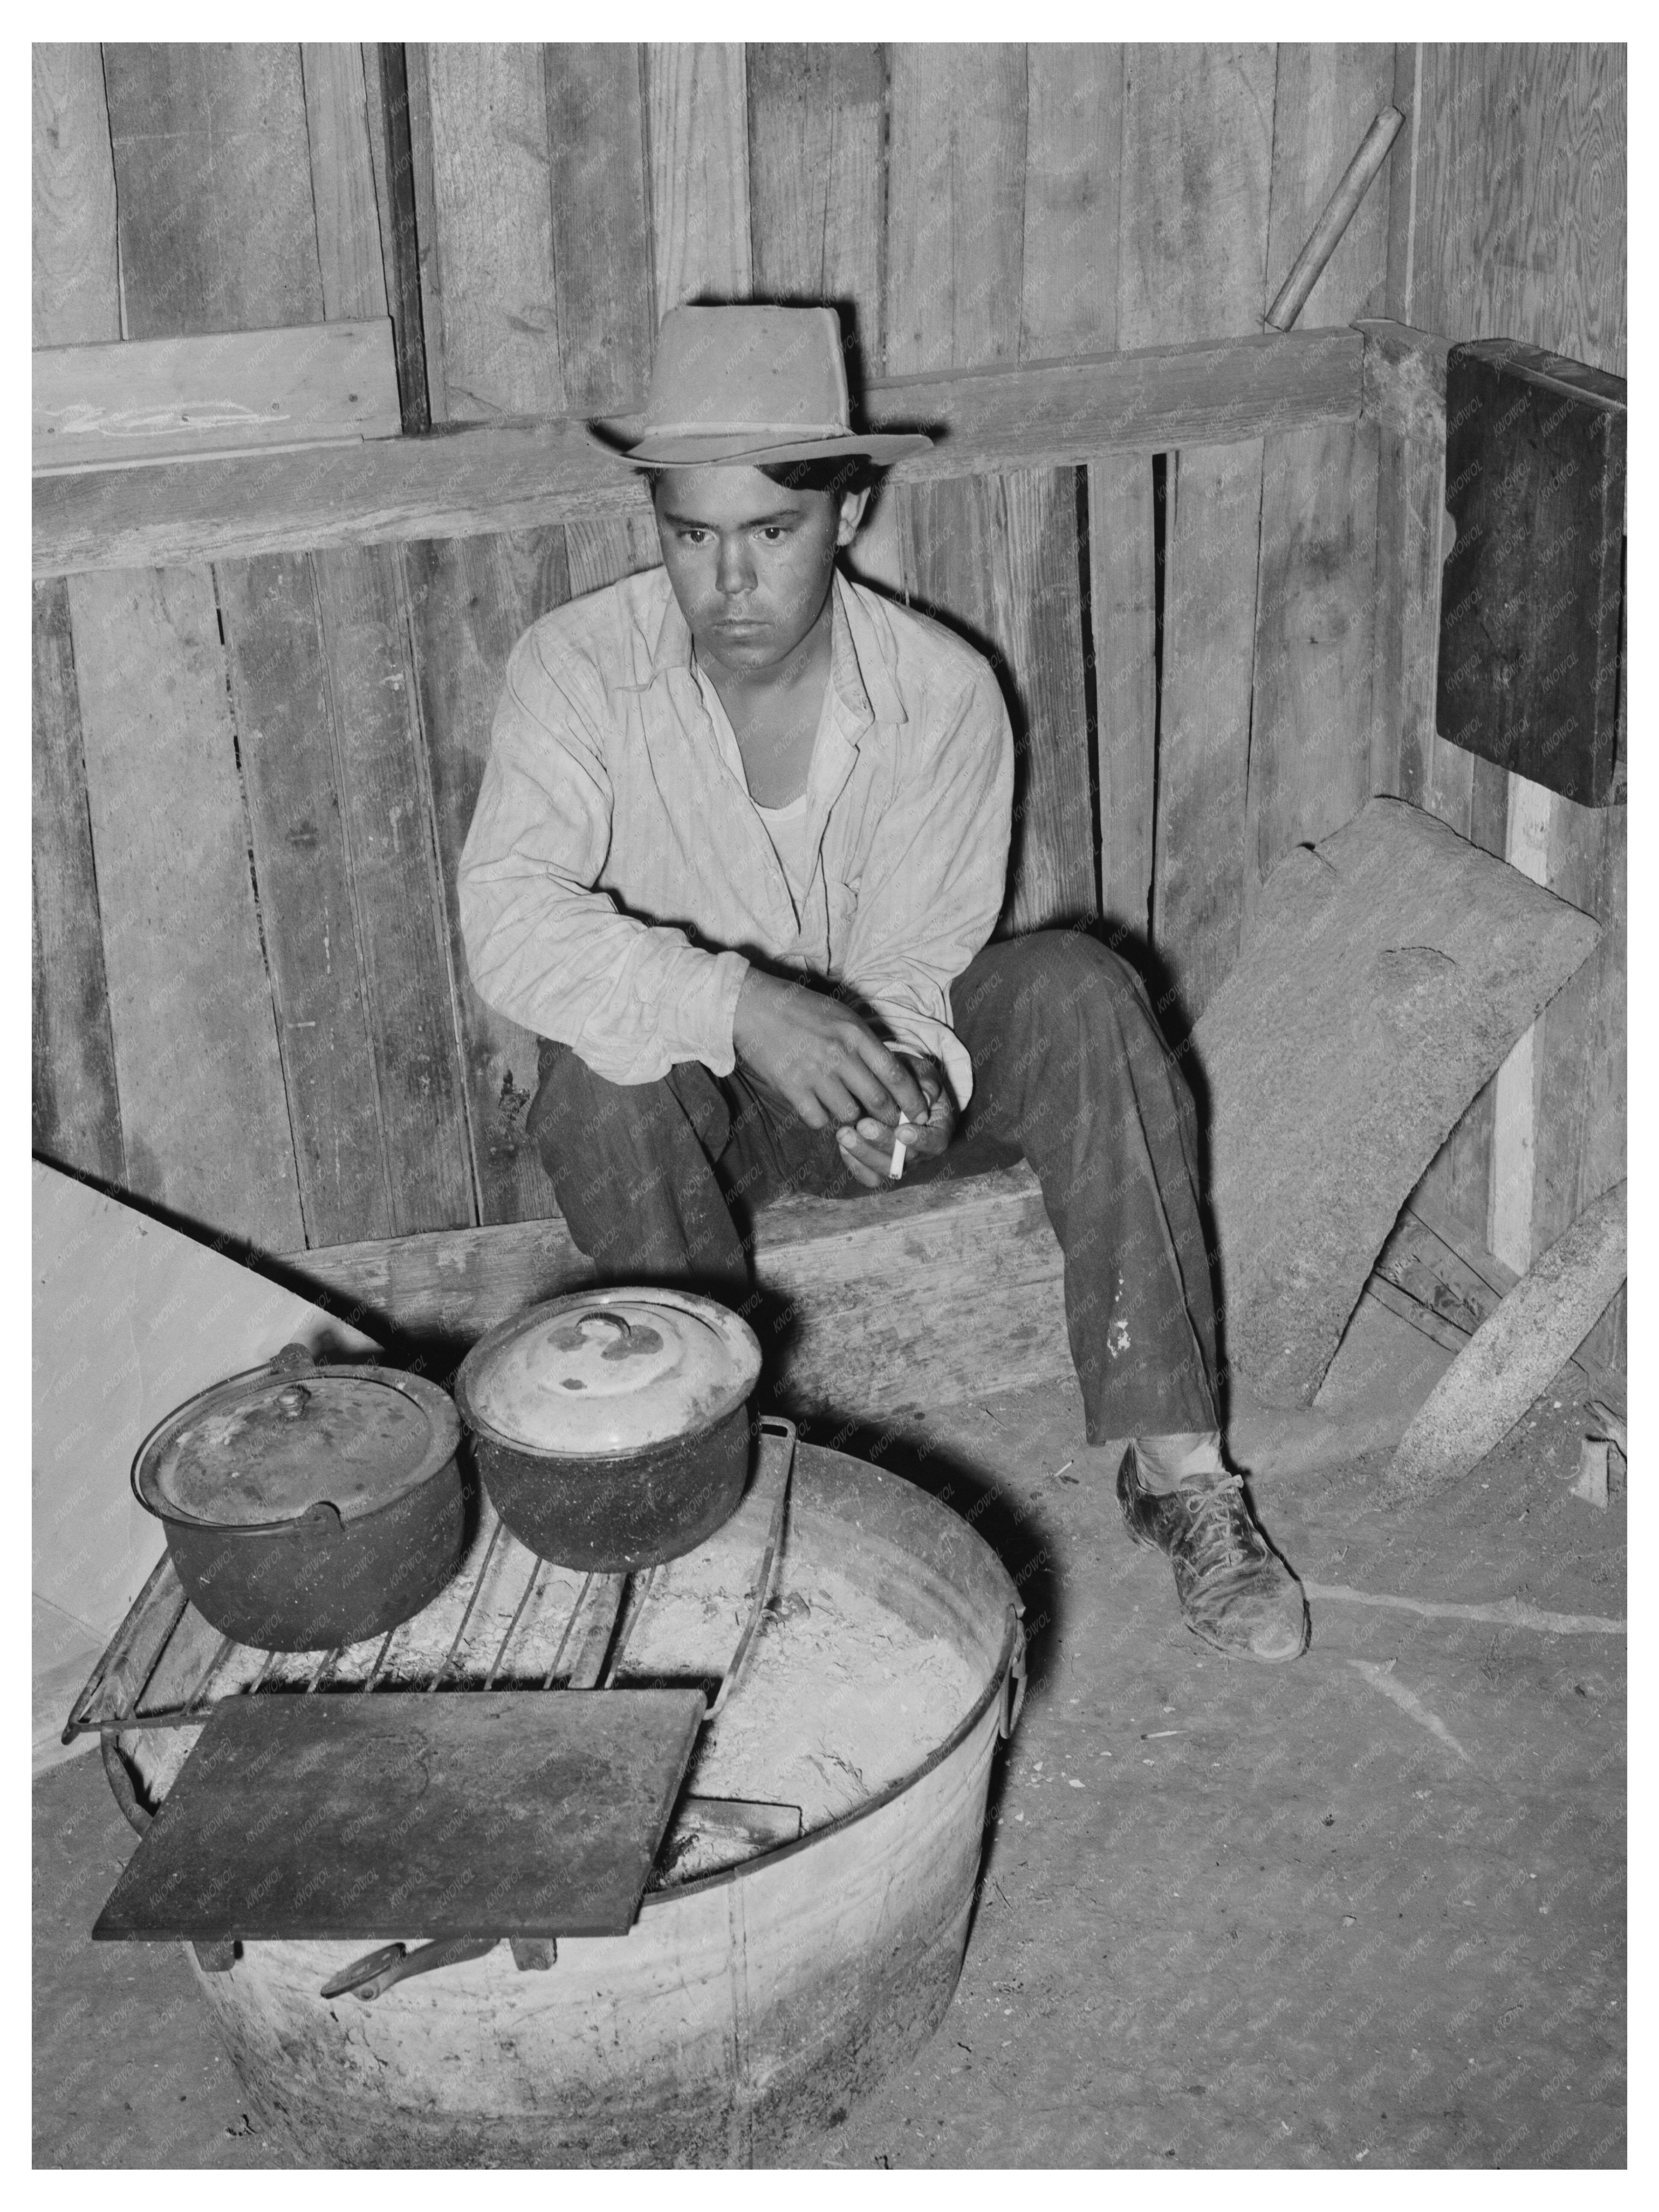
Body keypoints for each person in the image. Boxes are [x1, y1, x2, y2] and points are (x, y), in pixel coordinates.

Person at [458, 304, 1308, 1664]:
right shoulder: (575, 669)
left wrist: (897, 1076)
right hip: (688, 1109)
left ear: (846, 513)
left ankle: (1180, 1473)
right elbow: (507, 921)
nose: (728, 583)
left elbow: (923, 955)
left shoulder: (940, 691)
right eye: (692, 536)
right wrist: (737, 1003)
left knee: (1081, 984)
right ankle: (703, 1506)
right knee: (601, 1072)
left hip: (873, 1075)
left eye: (772, 533)